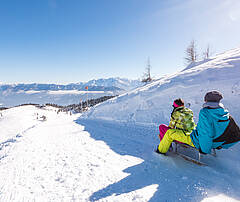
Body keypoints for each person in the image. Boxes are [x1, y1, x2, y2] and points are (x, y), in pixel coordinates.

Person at [156, 90, 240, 155]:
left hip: (197, 140)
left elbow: (206, 133)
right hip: (216, 142)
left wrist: (204, 150)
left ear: (206, 100)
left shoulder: (205, 112)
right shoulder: (224, 112)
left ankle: (160, 151)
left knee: (169, 133)